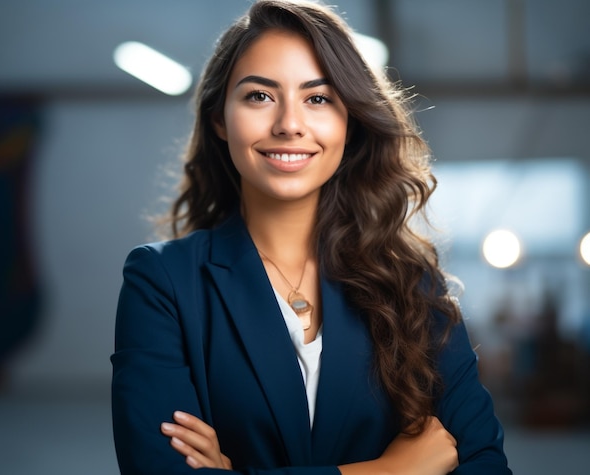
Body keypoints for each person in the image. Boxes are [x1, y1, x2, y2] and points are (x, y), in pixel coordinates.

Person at [111, 1, 512, 473]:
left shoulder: (412, 286)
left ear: (350, 122)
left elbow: (484, 464)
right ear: (220, 118)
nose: (289, 124)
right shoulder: (163, 281)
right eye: (259, 96)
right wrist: (390, 471)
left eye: (318, 98)